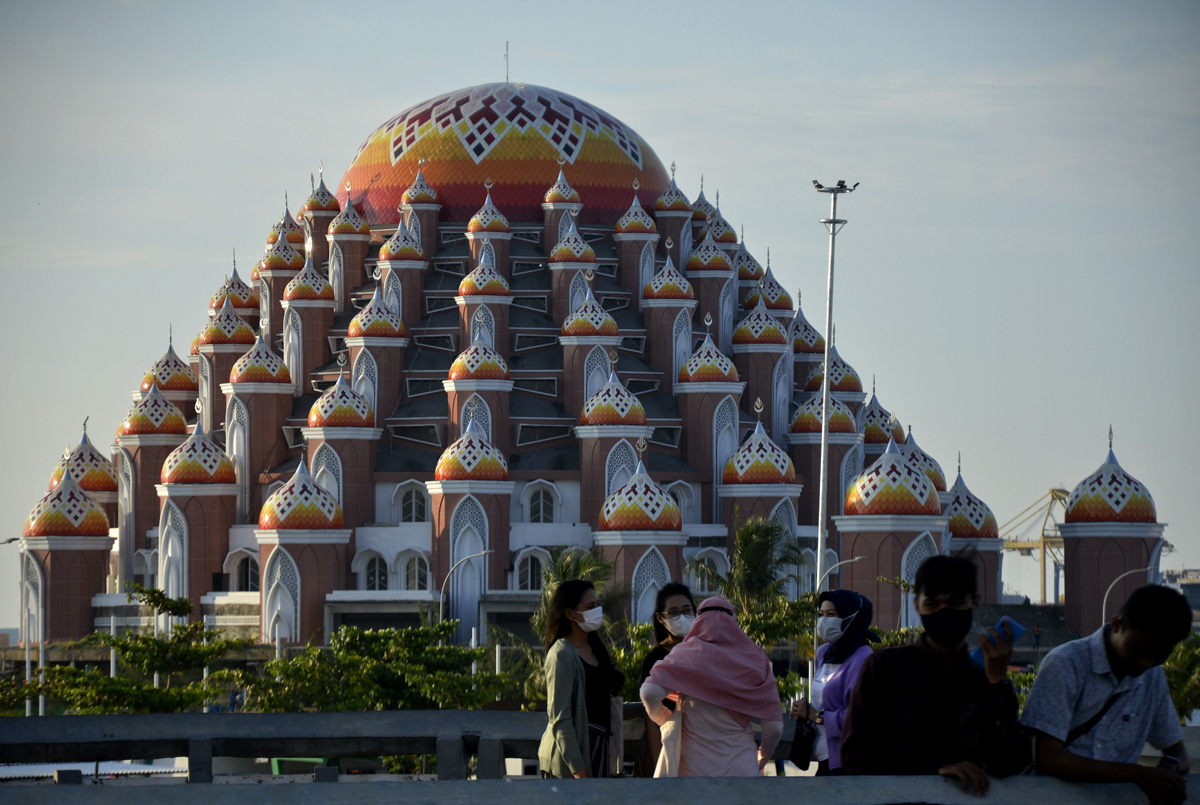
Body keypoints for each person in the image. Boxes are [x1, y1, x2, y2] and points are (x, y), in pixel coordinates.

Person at [839, 555, 1029, 794]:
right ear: (917, 604)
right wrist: (934, 769)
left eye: (956, 602)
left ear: (975, 603)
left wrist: (998, 681)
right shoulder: (884, 668)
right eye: (933, 604)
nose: (944, 612)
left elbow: (1010, 761)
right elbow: (854, 754)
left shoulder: (982, 679)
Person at [1021, 585, 1192, 805]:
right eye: (1137, 650)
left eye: (1160, 656)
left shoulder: (1153, 678)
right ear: (1116, 625)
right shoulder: (1065, 664)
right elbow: (1047, 759)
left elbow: (1180, 755)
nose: (1145, 662)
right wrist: (1138, 774)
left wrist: (1169, 770)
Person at [639, 595, 783, 777]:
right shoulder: (756, 659)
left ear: (698, 621)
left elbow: (648, 693)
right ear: (733, 621)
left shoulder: (685, 654)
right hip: (742, 770)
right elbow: (774, 728)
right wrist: (762, 757)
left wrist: (664, 719)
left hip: (694, 772)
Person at [537, 579, 625, 779]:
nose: (597, 611)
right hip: (572, 758)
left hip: (599, 748)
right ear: (570, 613)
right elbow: (560, 719)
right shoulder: (562, 655)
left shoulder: (595, 649)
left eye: (598, 605)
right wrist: (579, 770)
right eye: (590, 606)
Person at [789, 589, 875, 773]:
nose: (824, 620)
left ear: (851, 617)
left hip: (849, 761)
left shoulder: (864, 659)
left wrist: (816, 716)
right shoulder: (824, 652)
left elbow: (861, 717)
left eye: (831, 614)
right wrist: (804, 710)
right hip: (823, 756)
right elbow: (826, 701)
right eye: (821, 614)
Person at [633, 582, 696, 777]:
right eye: (674, 613)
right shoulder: (656, 659)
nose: (682, 617)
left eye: (687, 611)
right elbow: (651, 719)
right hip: (668, 743)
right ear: (661, 618)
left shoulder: (704, 651)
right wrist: (657, 760)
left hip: (700, 748)